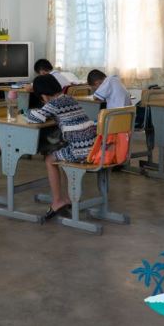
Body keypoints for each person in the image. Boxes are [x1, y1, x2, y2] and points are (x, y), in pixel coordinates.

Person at [25, 75, 96, 220]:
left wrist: (26, 111)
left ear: (43, 95)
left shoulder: (54, 104)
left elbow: (34, 117)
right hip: (93, 148)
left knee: (50, 159)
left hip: (80, 151)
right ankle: (68, 198)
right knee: (60, 152)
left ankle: (57, 201)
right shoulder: (68, 98)